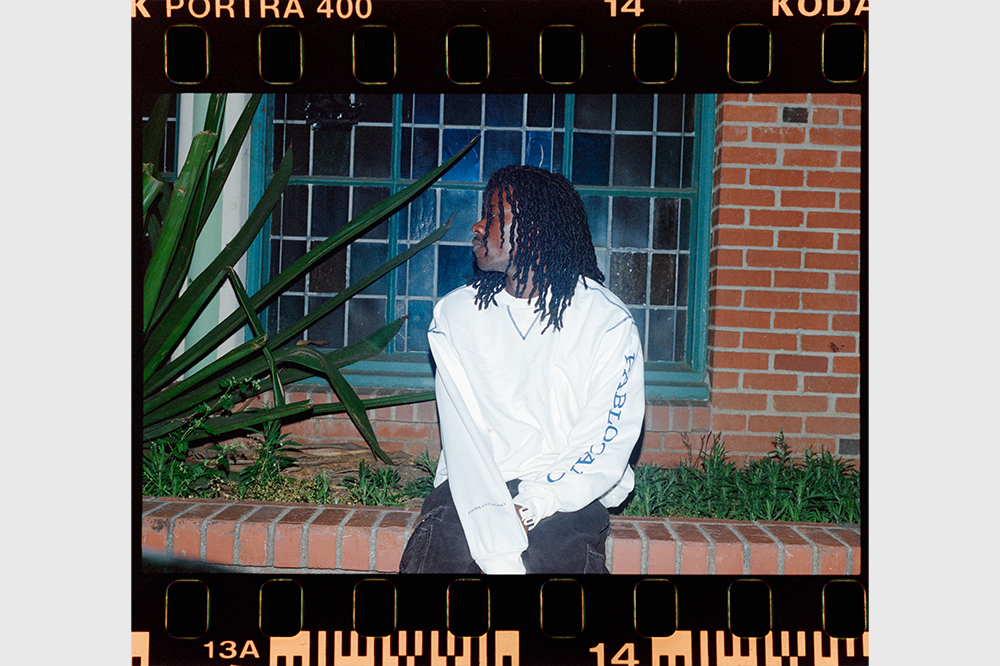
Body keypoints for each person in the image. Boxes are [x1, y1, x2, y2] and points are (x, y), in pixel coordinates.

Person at [398, 165, 645, 575]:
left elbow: (606, 439)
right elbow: (463, 435)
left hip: (568, 492)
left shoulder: (604, 320)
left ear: (535, 228)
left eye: (494, 215)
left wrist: (533, 503)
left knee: (550, 562)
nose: (478, 226)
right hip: (473, 483)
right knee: (438, 559)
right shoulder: (456, 316)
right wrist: (490, 510)